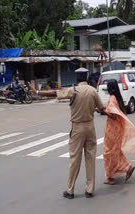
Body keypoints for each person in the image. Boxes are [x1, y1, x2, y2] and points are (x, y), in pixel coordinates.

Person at [28, 70, 105, 199]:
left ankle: (70, 190)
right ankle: (90, 190)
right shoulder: (93, 91)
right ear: (86, 77)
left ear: (77, 77)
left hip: (77, 128)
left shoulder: (73, 90)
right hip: (90, 127)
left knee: (75, 159)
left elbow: (54, 93)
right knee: (90, 158)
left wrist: (36, 92)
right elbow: (102, 109)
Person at [103, 80, 135, 185]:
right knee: (115, 152)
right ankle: (128, 167)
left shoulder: (112, 99)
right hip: (117, 129)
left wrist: (103, 111)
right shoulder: (117, 98)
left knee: (108, 153)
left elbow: (113, 114)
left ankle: (110, 177)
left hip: (112, 130)